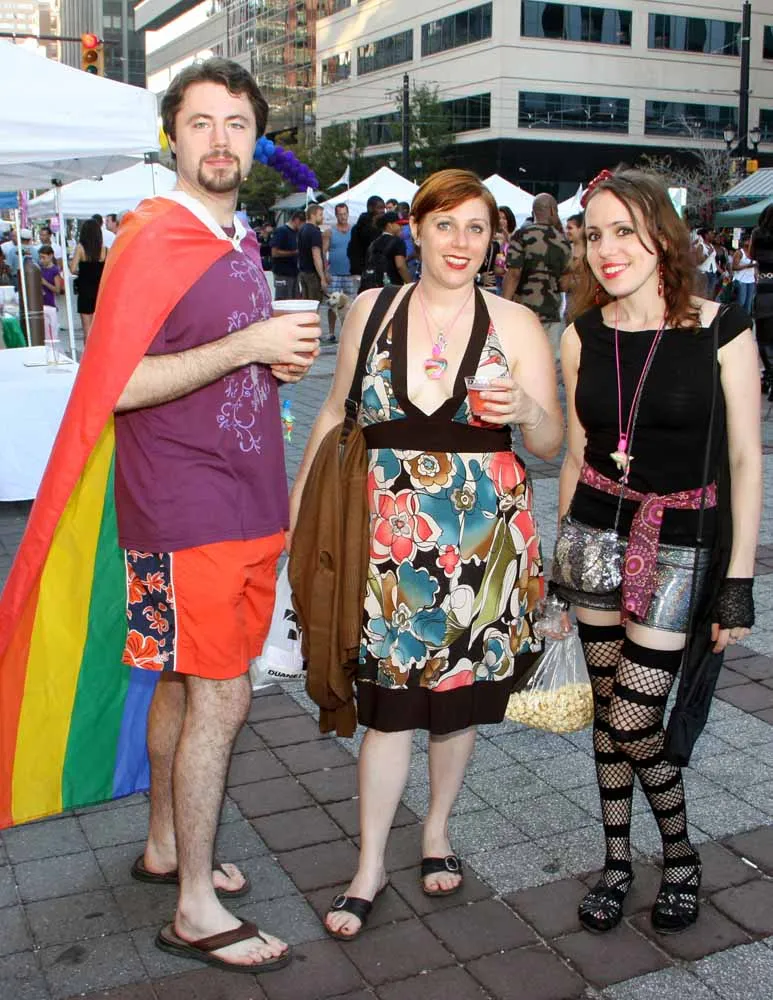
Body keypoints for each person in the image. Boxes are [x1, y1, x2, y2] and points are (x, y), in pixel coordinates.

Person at [290, 168, 563, 940]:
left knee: (453, 705)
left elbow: (548, 442)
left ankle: (436, 830)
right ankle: (369, 865)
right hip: (386, 546)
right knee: (385, 712)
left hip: (482, 547)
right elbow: (333, 415)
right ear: (415, 229)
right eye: (445, 224)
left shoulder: (514, 322)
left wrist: (527, 407)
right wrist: (298, 518)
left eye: (476, 228)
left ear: (493, 240)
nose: (459, 242)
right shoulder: (373, 311)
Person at [558, 168, 761, 935]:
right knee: (607, 713)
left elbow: (745, 459)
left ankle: (679, 856)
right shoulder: (581, 333)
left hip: (678, 540)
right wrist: (555, 567)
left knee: (634, 718)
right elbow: (576, 453)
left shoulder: (722, 327)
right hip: (591, 538)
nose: (605, 249)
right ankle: (615, 861)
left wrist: (737, 580)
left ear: (661, 237)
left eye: (623, 231)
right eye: (593, 234)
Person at [502, 193, 572, 358]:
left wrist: (504, 305)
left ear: (534, 211)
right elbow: (565, 283)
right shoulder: (563, 241)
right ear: (553, 211)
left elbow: (514, 274)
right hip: (551, 313)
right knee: (548, 360)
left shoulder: (521, 235)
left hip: (522, 311)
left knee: (521, 359)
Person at [69, 218, 107, 343]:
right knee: (100, 327)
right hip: (100, 291)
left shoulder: (80, 248)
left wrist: (83, 272)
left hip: (85, 290)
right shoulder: (105, 249)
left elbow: (72, 269)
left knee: (87, 329)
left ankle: (88, 353)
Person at [324, 202, 355, 342]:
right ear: (336, 215)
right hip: (334, 273)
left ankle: (349, 332)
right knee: (332, 304)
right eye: (340, 214)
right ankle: (331, 332)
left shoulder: (354, 230)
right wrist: (325, 272)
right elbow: (323, 252)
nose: (343, 217)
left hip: (350, 273)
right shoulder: (329, 232)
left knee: (350, 304)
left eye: (345, 214)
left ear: (348, 214)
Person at [751, 205, 773, 400]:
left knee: (765, 337)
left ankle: (770, 375)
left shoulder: (758, 235)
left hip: (765, 288)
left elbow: (752, 255)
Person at [359, 211, 412, 290]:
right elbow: (400, 266)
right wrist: (410, 284)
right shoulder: (398, 242)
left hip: (372, 288)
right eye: (399, 224)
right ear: (389, 225)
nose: (401, 227)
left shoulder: (373, 243)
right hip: (392, 287)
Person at [297, 202, 327, 304]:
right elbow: (316, 255)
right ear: (313, 215)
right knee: (314, 304)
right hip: (313, 274)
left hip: (303, 272)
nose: (322, 217)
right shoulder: (314, 232)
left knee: (306, 304)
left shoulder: (302, 229)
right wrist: (322, 278)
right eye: (320, 215)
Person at [348, 195, 385, 277]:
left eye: (383, 208)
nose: (383, 211)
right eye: (379, 208)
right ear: (370, 208)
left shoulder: (380, 226)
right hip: (362, 270)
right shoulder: (360, 227)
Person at [270, 209, 303, 299]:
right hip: (282, 273)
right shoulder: (281, 231)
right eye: (302, 224)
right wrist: (294, 252)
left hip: (294, 273)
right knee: (283, 300)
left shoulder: (296, 233)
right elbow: (274, 252)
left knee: (294, 300)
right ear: (297, 220)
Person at [37, 244, 63, 342]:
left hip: (50, 303)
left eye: (43, 257)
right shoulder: (39, 268)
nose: (41, 260)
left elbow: (57, 290)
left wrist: (45, 283)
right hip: (41, 302)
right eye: (40, 257)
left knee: (51, 333)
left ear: (51, 256)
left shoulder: (54, 270)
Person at [732, 235, 756, 314]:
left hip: (751, 280)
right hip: (741, 279)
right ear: (743, 242)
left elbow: (755, 268)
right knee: (741, 301)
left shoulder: (754, 253)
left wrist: (756, 277)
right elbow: (734, 267)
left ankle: (746, 319)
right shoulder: (739, 252)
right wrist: (748, 266)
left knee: (749, 302)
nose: (750, 242)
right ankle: (737, 317)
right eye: (748, 241)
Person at [693, 228, 717, 299]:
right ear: (706, 235)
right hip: (703, 273)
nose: (713, 235)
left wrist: (722, 272)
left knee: (710, 294)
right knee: (703, 294)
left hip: (712, 272)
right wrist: (708, 253)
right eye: (711, 233)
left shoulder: (711, 246)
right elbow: (698, 261)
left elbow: (713, 260)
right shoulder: (700, 246)